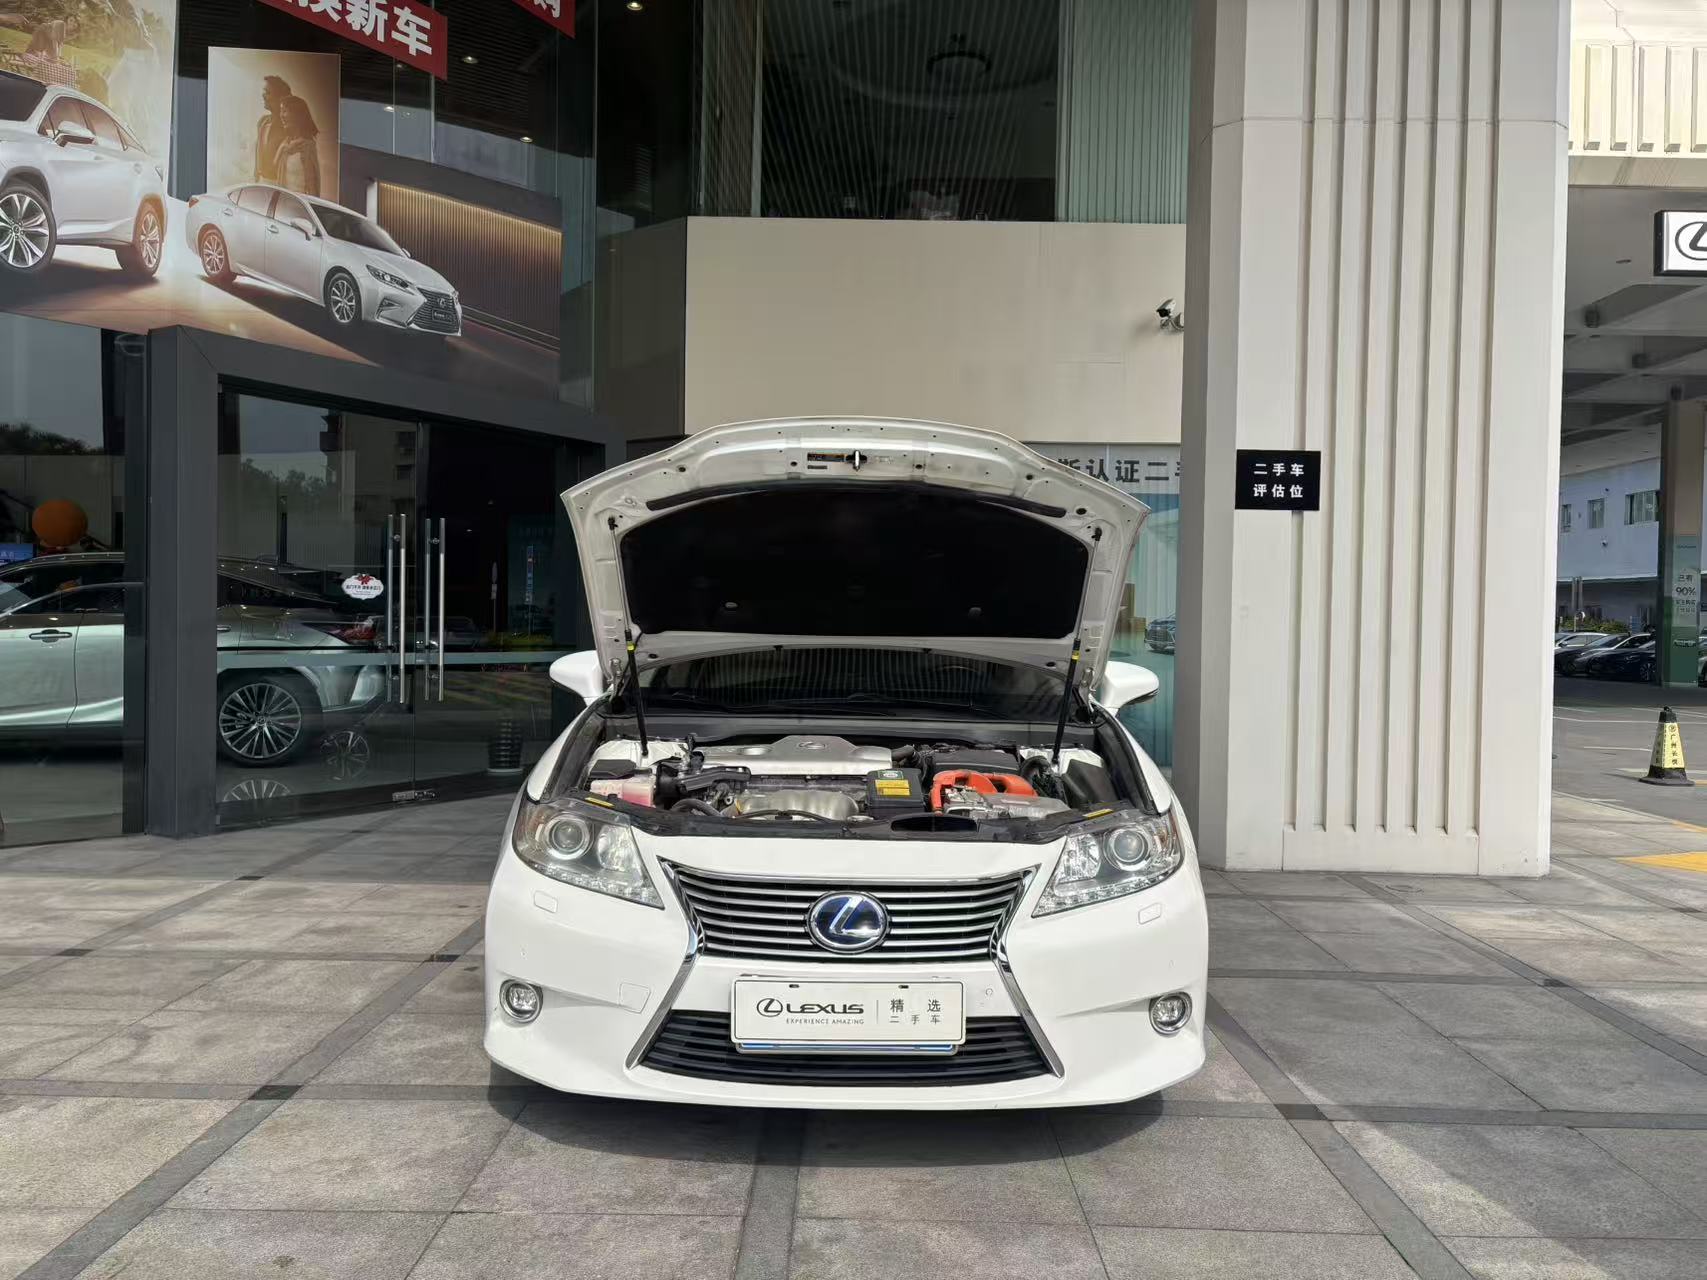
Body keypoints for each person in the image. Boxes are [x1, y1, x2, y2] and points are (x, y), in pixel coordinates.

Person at [272, 95, 321, 198]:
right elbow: (274, 167)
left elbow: (312, 184)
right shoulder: (286, 143)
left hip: (300, 202)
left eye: (284, 111)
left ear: (296, 115)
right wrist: (282, 148)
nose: (281, 115)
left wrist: (313, 205)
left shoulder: (307, 146)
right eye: (281, 111)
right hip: (284, 200)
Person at [254, 75, 291, 184]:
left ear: (280, 98)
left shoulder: (289, 126)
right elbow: (258, 151)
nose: (263, 95)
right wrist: (256, 178)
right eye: (264, 91)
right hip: (261, 182)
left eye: (268, 92)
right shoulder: (262, 122)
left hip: (281, 184)